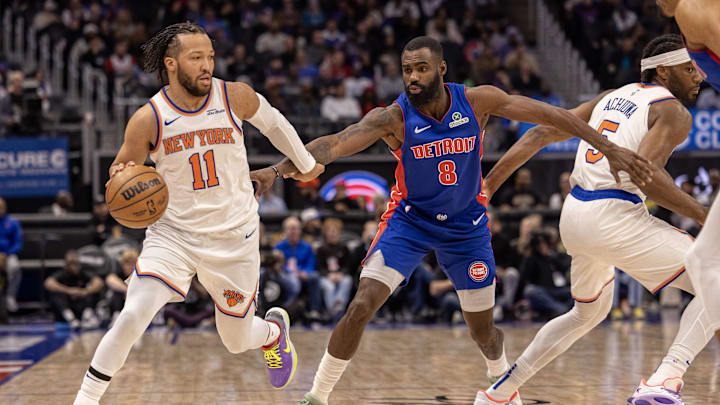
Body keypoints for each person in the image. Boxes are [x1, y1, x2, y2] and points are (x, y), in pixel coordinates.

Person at [250, 36, 653, 405]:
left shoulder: (477, 101)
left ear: (441, 70)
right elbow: (334, 143)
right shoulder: (393, 118)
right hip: (410, 221)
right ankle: (318, 395)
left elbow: (550, 115)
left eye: (421, 68)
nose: (412, 77)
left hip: (466, 227)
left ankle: (501, 387)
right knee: (362, 304)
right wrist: (278, 170)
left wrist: (605, 145)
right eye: (407, 69)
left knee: (482, 329)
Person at [73, 22, 324, 405]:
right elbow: (120, 169)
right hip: (173, 235)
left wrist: (304, 162)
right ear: (171, 64)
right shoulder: (149, 118)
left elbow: (273, 121)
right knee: (134, 313)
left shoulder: (233, 96)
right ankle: (85, 400)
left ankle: (272, 333)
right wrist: (120, 175)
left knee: (236, 341)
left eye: (210, 56)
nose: (207, 65)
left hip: (233, 235)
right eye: (196, 58)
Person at [477, 34, 713, 405]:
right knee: (716, 279)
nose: (699, 76)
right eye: (690, 69)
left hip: (575, 214)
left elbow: (540, 133)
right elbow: (643, 174)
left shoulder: (611, 96)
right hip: (614, 214)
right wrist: (703, 214)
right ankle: (664, 379)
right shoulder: (673, 112)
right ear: (663, 72)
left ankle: (499, 393)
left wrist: (488, 184)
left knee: (587, 313)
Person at [656, 0, 720, 344]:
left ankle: (668, 375)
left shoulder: (691, 9)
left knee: (704, 259)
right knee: (703, 260)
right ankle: (669, 375)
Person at [44, 250, 104, 329]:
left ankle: (87, 316)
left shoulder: (84, 273)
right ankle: (71, 319)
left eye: (75, 264)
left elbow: (99, 282)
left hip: (82, 305)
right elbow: (48, 283)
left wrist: (84, 291)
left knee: (94, 291)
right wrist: (69, 290)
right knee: (56, 294)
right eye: (71, 264)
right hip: (67, 307)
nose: (74, 267)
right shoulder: (62, 273)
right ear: (66, 265)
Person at [0, 198, 22, 313]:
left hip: (9, 254)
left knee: (15, 267)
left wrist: (6, 254)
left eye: (1, 207)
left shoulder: (13, 223)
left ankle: (10, 296)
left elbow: (18, 244)